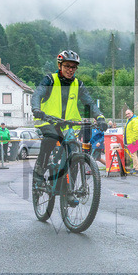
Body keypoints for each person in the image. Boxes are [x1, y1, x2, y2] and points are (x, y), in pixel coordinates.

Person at [30, 50, 105, 186]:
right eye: (67, 66)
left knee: (74, 152)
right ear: (60, 66)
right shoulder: (50, 80)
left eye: (73, 67)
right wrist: (36, 109)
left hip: (68, 124)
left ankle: (69, 190)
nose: (70, 70)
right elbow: (37, 94)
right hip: (48, 121)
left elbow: (89, 103)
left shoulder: (78, 84)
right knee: (51, 138)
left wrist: (100, 117)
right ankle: (39, 173)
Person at [124, 108, 138, 175]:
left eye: (128, 113)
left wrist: (134, 140)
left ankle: (135, 169)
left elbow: (135, 131)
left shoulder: (135, 120)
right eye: (126, 114)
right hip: (130, 140)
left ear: (132, 113)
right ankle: (135, 168)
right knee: (133, 154)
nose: (127, 115)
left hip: (134, 141)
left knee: (133, 155)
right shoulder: (129, 120)